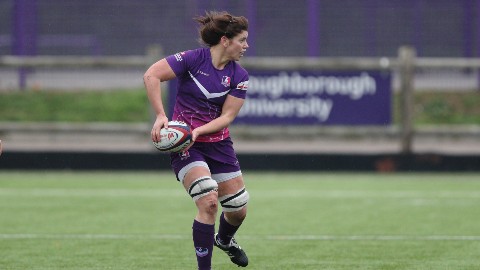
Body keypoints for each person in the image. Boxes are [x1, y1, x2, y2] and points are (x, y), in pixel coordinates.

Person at [143, 11, 250, 269]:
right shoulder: (192, 59)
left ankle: (224, 240)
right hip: (186, 147)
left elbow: (227, 116)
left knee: (237, 208)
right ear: (225, 40)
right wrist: (160, 115)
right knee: (208, 200)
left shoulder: (240, 76)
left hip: (218, 144)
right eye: (242, 40)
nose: (246, 46)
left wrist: (200, 131)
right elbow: (151, 75)